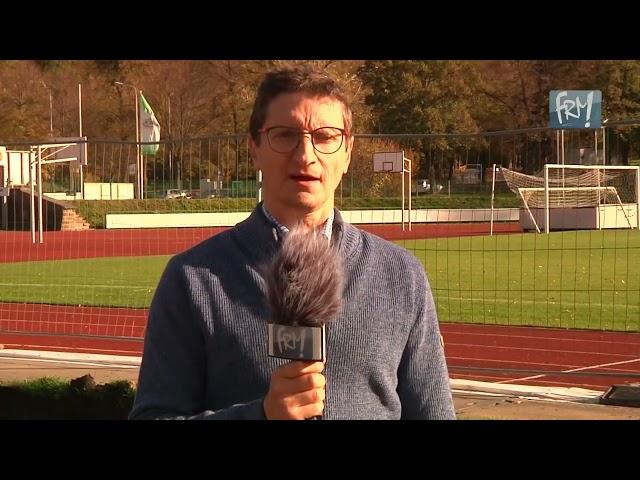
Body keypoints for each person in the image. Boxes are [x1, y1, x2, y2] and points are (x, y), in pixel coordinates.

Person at [129, 65, 456, 420]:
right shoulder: (193, 279)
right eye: (284, 135)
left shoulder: (401, 276)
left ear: (347, 152)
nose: (305, 155)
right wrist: (262, 414)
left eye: (325, 136)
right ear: (254, 148)